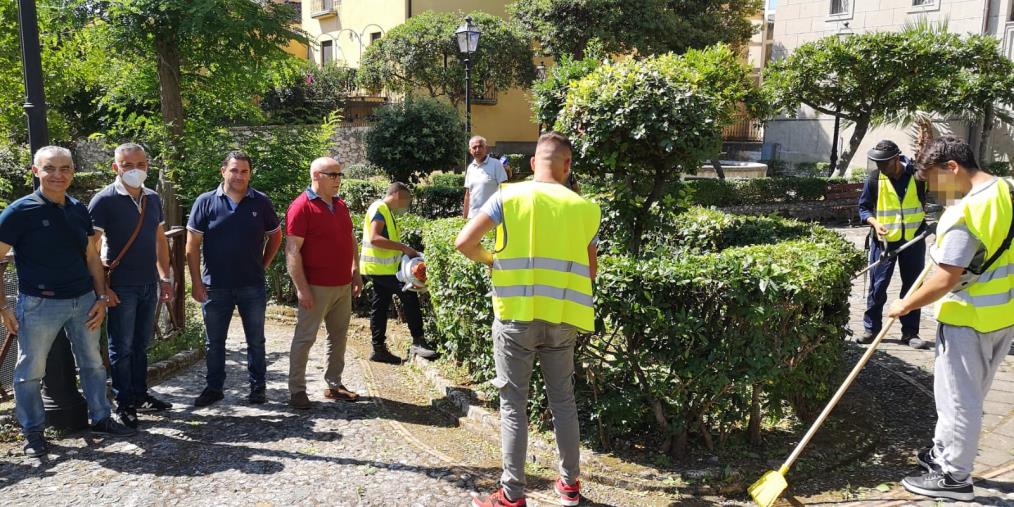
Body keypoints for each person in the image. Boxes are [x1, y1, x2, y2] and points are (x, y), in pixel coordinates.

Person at [456, 132, 600, 507]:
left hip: (515, 317)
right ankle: (569, 487)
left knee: (513, 406)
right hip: (563, 319)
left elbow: (464, 243)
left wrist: (492, 261)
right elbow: (591, 272)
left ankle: (512, 495)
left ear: (534, 163)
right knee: (563, 402)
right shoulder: (586, 209)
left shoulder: (508, 196)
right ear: (568, 166)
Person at [887, 136, 1014, 501]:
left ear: (952, 168)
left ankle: (954, 477)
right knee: (970, 396)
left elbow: (946, 277)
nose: (932, 192)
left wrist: (906, 305)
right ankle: (944, 453)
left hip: (967, 317)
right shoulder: (1006, 190)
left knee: (958, 401)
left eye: (933, 182)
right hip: (1002, 314)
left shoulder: (964, 212)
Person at [0, 146, 135, 457]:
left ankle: (100, 418)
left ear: (73, 172)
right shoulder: (19, 211)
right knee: (29, 371)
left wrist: (101, 296)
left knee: (93, 364)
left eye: (64, 168)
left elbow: (91, 256)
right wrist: (4, 307)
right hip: (39, 303)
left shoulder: (77, 208)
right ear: (36, 172)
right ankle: (33, 432)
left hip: (84, 300)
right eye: (50, 168)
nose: (57, 175)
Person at [186, 151, 283, 407]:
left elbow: (276, 236)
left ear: (250, 174)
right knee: (214, 342)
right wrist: (196, 282)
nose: (239, 176)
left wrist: (263, 264)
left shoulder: (261, 202)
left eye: (244, 171)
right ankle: (214, 388)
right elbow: (191, 246)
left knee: (256, 340)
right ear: (223, 171)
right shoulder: (205, 202)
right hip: (215, 286)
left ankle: (258, 388)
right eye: (234, 170)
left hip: (252, 285)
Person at [88, 143, 173, 427]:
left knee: (141, 344)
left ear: (147, 166)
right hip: (121, 286)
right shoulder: (104, 200)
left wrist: (165, 277)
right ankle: (124, 402)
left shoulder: (152, 197)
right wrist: (103, 289)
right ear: (116, 167)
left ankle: (140, 394)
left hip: (149, 283)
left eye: (140, 164)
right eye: (127, 165)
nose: (134, 170)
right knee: (121, 347)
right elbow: (91, 248)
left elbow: (160, 239)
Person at [285, 157, 363, 409]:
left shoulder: (340, 205)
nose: (338, 180)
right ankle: (297, 390)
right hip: (315, 287)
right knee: (305, 338)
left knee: (338, 336)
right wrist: (301, 288)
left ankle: (334, 385)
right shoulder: (301, 206)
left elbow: (350, 238)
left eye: (340, 175)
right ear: (316, 175)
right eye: (333, 175)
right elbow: (292, 250)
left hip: (342, 285)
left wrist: (356, 270)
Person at [858, 140, 929, 349]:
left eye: (884, 164)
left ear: (896, 159)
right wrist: (874, 222)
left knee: (913, 287)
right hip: (884, 242)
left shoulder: (918, 176)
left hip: (913, 240)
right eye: (877, 164)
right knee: (878, 286)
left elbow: (947, 193)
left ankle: (910, 333)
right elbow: (863, 208)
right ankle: (872, 329)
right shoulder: (874, 179)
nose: (881, 168)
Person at [361, 182, 438, 364]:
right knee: (409, 296)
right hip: (383, 269)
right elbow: (375, 238)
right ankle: (418, 341)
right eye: (405, 201)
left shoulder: (384, 210)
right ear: (397, 195)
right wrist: (405, 248)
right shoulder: (380, 208)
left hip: (379, 269)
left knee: (380, 306)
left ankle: (378, 348)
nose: (405, 205)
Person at [462, 136, 509, 219]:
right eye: (474, 147)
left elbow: (504, 190)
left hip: (492, 217)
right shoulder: (470, 168)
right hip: (473, 217)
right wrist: (465, 217)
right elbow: (467, 194)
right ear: (470, 151)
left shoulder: (496, 164)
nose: (477, 150)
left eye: (480, 146)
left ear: (486, 148)